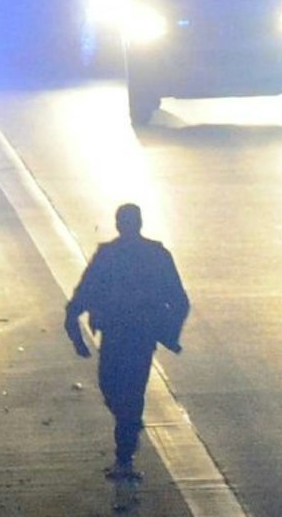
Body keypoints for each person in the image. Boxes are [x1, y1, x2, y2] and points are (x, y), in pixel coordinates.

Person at [65, 203, 191, 481]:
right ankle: (129, 427)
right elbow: (180, 302)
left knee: (118, 389)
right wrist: (169, 332)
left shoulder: (111, 256)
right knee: (122, 391)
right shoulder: (152, 255)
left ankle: (125, 453)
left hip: (125, 336)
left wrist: (76, 332)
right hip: (136, 336)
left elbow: (83, 295)